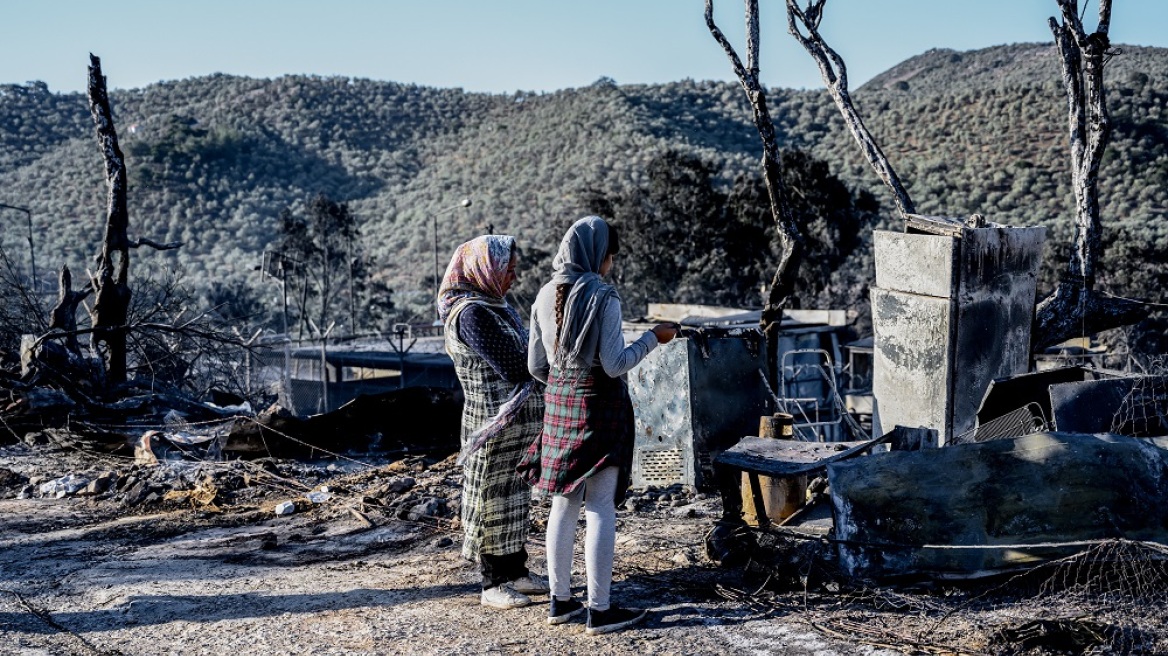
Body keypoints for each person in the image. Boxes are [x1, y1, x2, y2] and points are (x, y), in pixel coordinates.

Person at [520, 216, 678, 635]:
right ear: (597, 255)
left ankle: (561, 602)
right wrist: (653, 338)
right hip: (599, 406)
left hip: (559, 404)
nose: (610, 263)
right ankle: (601, 610)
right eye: (610, 255)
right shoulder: (603, 297)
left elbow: (536, 366)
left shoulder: (541, 295)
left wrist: (565, 382)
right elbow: (615, 364)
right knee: (600, 506)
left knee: (563, 503)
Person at [438, 235, 549, 610]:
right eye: (508, 270)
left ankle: (516, 572)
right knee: (490, 504)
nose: (513, 278)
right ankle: (492, 584)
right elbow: (515, 366)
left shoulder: (494, 306)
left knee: (513, 502)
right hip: (493, 428)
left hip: (513, 429)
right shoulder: (471, 313)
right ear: (485, 269)